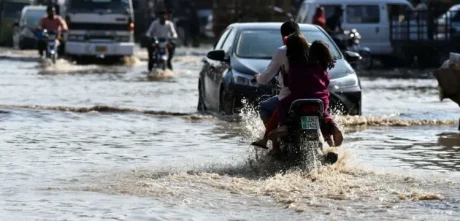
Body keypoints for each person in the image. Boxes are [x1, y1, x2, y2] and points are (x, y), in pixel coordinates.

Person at [271, 37, 343, 151]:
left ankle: (284, 126)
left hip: (299, 98)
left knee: (281, 104)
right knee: (324, 113)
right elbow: (326, 82)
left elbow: (290, 85)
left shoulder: (295, 66)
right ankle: (331, 131)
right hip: (321, 100)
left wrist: (284, 75)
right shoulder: (320, 68)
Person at [250, 20, 299, 153]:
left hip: (289, 97)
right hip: (314, 96)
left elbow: (265, 77)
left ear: (284, 37)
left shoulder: (283, 51)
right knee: (325, 115)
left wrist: (257, 78)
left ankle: (275, 147)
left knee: (265, 107)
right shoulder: (311, 49)